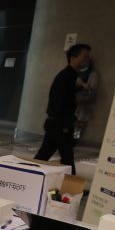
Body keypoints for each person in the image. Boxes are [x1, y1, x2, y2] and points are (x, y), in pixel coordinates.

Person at [34, 43, 92, 174]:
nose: (87, 60)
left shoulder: (70, 76)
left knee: (45, 154)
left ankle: (25, 176)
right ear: (73, 57)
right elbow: (58, 102)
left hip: (56, 123)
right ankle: (71, 188)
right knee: (67, 157)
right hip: (59, 124)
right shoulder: (66, 76)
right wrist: (65, 124)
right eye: (84, 57)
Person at [74, 54, 99, 141]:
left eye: (85, 61)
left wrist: (82, 84)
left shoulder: (93, 74)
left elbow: (92, 88)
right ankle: (67, 140)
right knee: (70, 122)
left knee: (79, 124)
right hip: (72, 101)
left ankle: (74, 140)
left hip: (83, 103)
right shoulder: (75, 72)